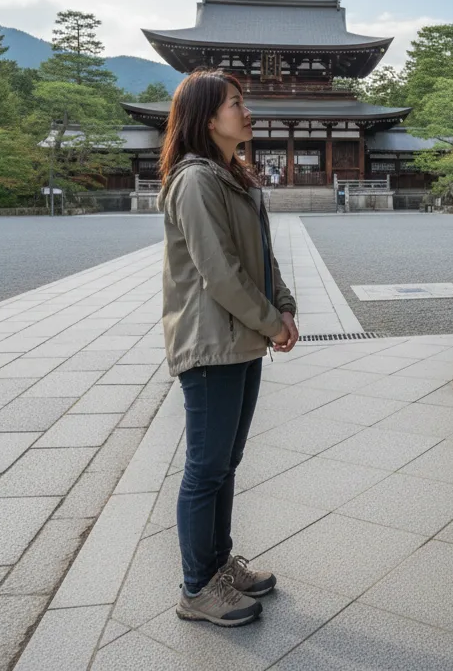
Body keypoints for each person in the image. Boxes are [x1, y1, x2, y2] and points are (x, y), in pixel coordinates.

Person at [157, 69, 299, 627]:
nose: (247, 111)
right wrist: (270, 322)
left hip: (241, 338)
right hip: (212, 339)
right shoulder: (195, 180)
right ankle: (197, 588)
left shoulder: (232, 177)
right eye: (236, 103)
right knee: (206, 466)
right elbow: (219, 271)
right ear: (206, 117)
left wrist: (283, 307)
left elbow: (262, 258)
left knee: (226, 462)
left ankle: (218, 568)